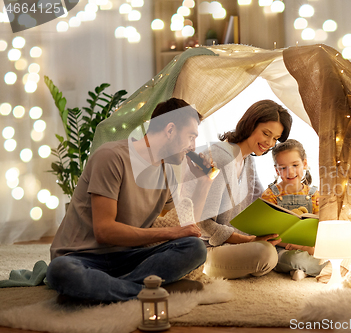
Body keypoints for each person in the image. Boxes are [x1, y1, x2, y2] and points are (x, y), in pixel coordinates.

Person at [47, 98, 214, 303]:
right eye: (190, 137)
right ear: (170, 130)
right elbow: (104, 231)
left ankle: (103, 291)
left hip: (128, 258)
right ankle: (149, 290)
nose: (193, 146)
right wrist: (173, 232)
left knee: (195, 247)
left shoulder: (167, 173)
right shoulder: (111, 157)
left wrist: (205, 182)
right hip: (82, 257)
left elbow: (186, 227)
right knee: (60, 271)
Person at [182, 99, 293, 279]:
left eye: (275, 138)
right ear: (250, 124)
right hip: (205, 248)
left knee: (277, 246)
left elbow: (263, 202)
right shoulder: (220, 157)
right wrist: (249, 240)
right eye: (266, 133)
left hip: (233, 244)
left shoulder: (248, 160)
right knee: (266, 255)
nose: (270, 143)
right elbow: (202, 224)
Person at [261, 139, 326, 281]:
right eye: (283, 168)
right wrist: (295, 246)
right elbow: (268, 233)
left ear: (305, 164)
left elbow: (318, 227)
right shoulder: (270, 195)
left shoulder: (314, 194)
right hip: (282, 248)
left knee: (331, 255)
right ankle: (303, 268)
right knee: (292, 258)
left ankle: (302, 270)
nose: (290, 172)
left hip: (309, 248)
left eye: (295, 165)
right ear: (276, 170)